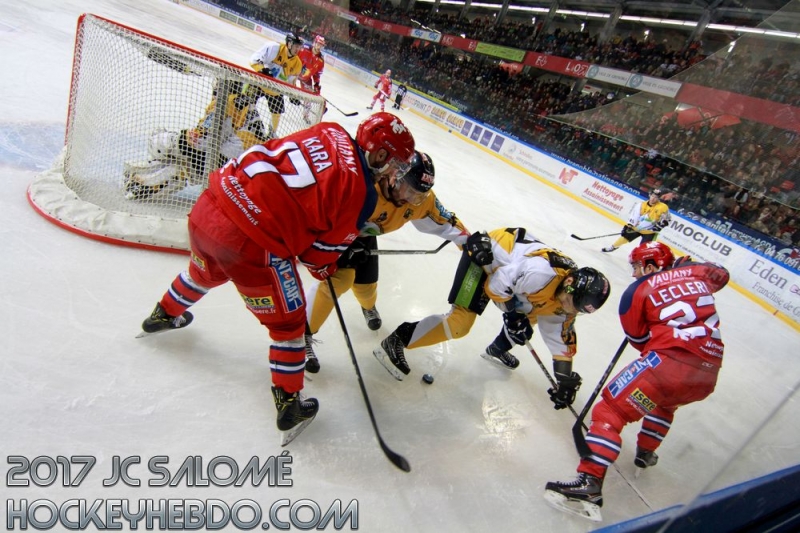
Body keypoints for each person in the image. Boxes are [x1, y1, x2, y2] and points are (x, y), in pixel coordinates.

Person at [137, 112, 416, 444]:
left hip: (211, 204)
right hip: (252, 244)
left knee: (202, 272)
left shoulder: (330, 129)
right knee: (289, 326)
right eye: (394, 160)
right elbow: (315, 259)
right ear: (380, 154)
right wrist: (331, 264)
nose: (394, 169)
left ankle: (163, 313)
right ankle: (289, 404)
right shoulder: (362, 195)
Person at [545, 242, 729, 522]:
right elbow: (722, 274)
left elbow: (640, 342)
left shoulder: (636, 291)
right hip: (708, 372)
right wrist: (687, 270)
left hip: (668, 364)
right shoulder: (696, 275)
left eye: (636, 267)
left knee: (610, 411)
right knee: (664, 403)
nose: (633, 274)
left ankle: (589, 483)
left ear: (651, 265)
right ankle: (646, 452)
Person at [373, 227, 611, 411]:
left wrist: (565, 379)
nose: (571, 312)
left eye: (578, 310)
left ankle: (496, 350)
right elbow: (496, 286)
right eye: (572, 304)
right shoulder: (541, 274)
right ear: (569, 286)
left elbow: (561, 341)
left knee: (529, 320)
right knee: (460, 324)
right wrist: (512, 314)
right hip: (486, 257)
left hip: (512, 276)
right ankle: (397, 340)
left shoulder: (567, 300)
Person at [303, 151, 470, 373]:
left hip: (364, 237)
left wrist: (470, 243)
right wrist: (332, 248)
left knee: (367, 286)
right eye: (409, 191)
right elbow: (321, 212)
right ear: (395, 175)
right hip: (339, 232)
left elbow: (444, 219)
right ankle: (300, 336)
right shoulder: (364, 185)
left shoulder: (419, 199)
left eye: (418, 196)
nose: (410, 200)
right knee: (339, 281)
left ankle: (368, 307)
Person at [123, 81, 267, 200]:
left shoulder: (225, 102)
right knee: (184, 165)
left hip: (230, 165)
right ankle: (147, 184)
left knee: (166, 141)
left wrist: (183, 138)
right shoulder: (243, 103)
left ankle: (144, 182)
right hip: (249, 170)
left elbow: (202, 141)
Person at [249, 32, 305, 138]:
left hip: (275, 89)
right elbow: (254, 59)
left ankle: (271, 132)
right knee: (247, 100)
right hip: (260, 83)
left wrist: (293, 95)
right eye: (296, 45)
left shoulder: (297, 64)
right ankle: (247, 121)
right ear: (289, 43)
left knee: (277, 111)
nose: (298, 49)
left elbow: (291, 83)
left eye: (299, 46)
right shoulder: (274, 48)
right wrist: (262, 70)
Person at [602, 188, 671, 253]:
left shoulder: (663, 207)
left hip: (649, 231)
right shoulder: (641, 205)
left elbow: (667, 219)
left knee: (645, 247)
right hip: (637, 228)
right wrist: (628, 226)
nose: (653, 198)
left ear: (659, 199)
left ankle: (640, 260)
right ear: (650, 195)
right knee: (624, 238)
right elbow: (634, 216)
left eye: (656, 197)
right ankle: (612, 247)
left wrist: (660, 226)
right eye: (652, 196)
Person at [296, 35, 326, 124]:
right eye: (318, 44)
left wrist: (316, 84)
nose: (319, 46)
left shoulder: (321, 60)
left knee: (308, 97)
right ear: (314, 43)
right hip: (294, 72)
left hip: (306, 78)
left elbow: (317, 74)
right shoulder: (303, 49)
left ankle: (305, 115)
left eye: (321, 45)